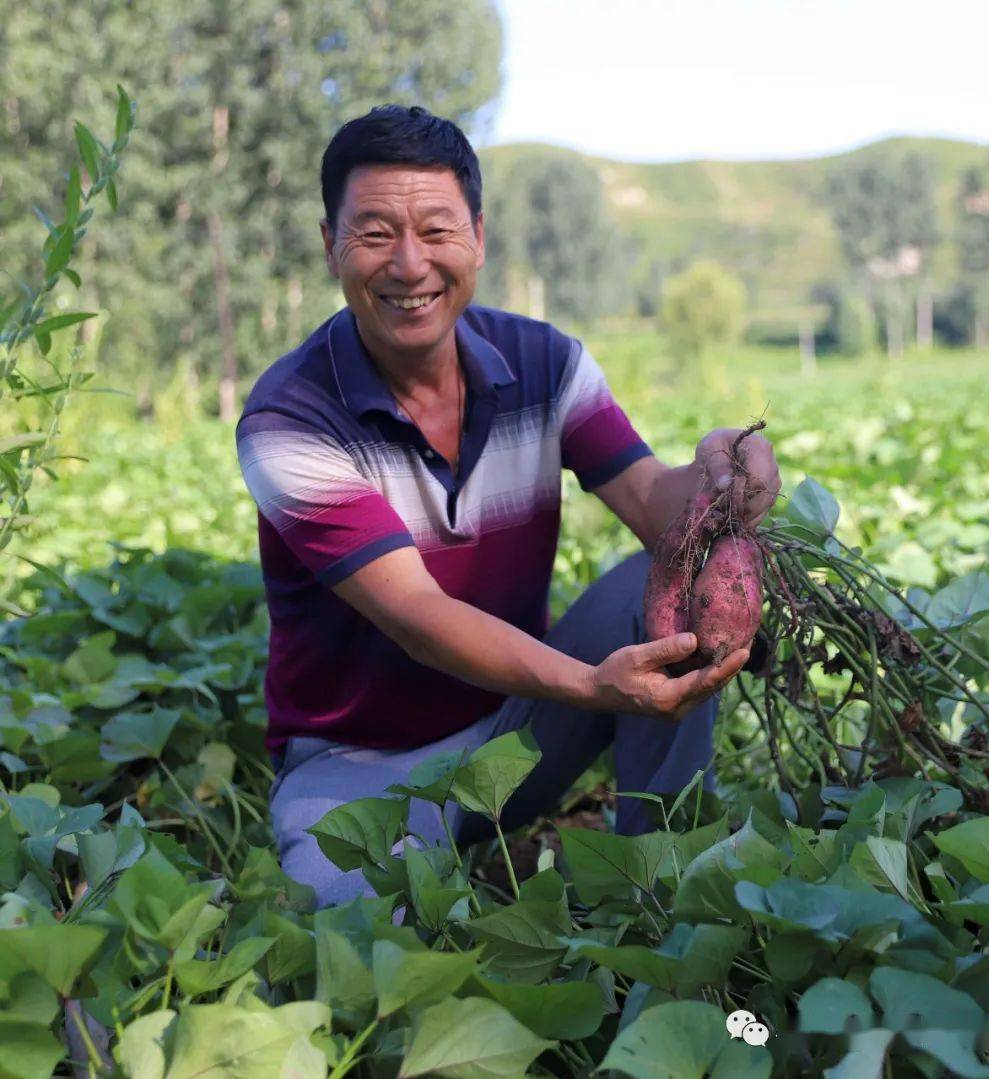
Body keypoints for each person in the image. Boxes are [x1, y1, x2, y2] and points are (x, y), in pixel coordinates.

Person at [236, 105, 781, 908]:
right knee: (337, 924)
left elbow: (656, 508)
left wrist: (721, 475)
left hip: (518, 736)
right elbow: (418, 615)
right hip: (360, 772)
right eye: (376, 233)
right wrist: (595, 685)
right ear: (330, 247)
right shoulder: (291, 418)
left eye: (437, 230)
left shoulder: (545, 364)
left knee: (654, 585)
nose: (410, 264)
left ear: (480, 239)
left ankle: (663, 885)